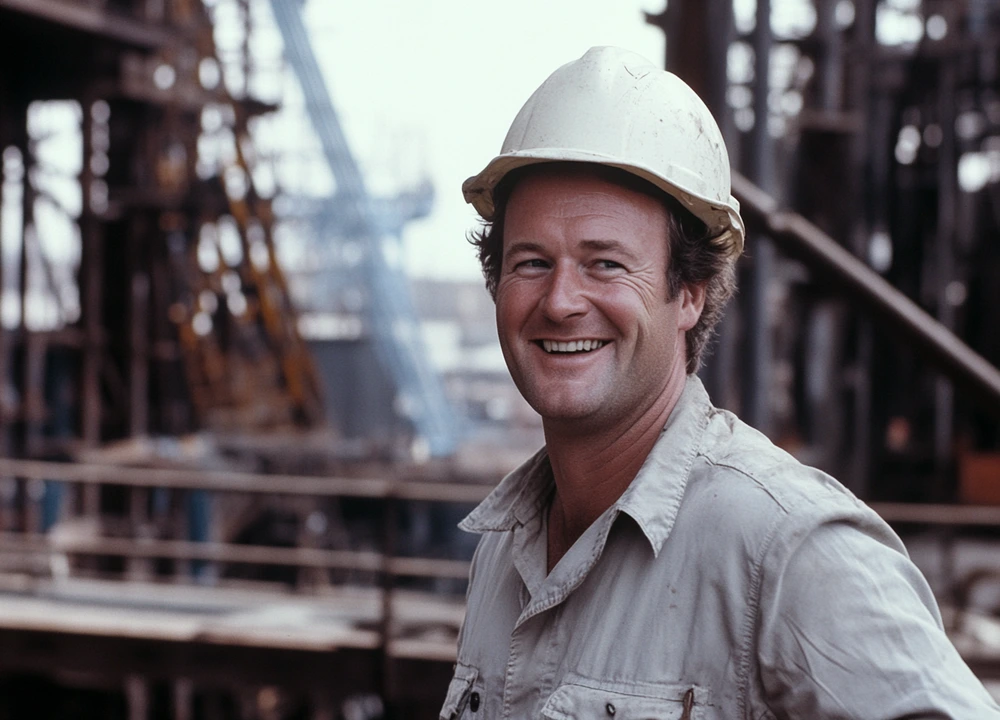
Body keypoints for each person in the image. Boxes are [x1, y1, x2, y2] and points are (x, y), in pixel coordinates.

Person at [439, 46, 1000, 720]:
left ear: (690, 294)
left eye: (605, 264)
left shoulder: (784, 549)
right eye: (531, 262)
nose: (560, 301)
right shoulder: (504, 551)